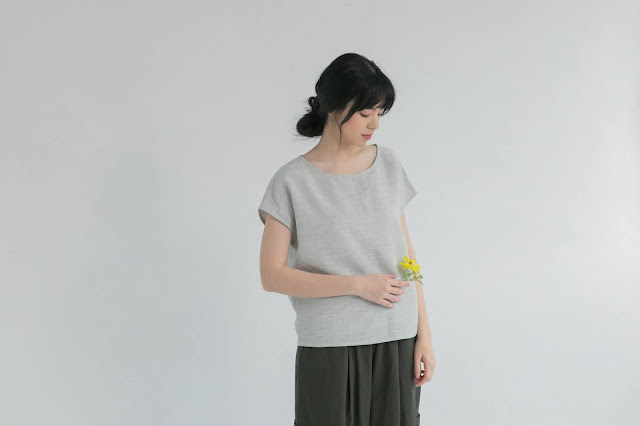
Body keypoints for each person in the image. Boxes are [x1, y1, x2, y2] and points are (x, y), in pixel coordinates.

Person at [258, 52, 436, 426]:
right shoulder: (291, 181)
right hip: (329, 343)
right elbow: (271, 276)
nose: (374, 124)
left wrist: (425, 334)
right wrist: (357, 285)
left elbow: (407, 256)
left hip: (397, 336)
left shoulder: (388, 164)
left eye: (380, 113)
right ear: (334, 107)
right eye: (365, 112)